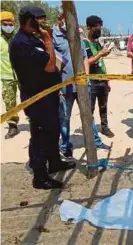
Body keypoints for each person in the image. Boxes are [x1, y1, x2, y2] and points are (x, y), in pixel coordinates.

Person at [10, 6, 75, 189]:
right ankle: (40, 176)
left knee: (52, 130)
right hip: (37, 98)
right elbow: (49, 67)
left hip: (48, 96)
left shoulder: (32, 39)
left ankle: (54, 161)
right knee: (40, 135)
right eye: (40, 19)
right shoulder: (22, 43)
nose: (43, 23)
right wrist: (48, 41)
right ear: (29, 20)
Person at [53, 12, 110, 158]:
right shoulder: (53, 37)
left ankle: (96, 141)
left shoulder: (77, 36)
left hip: (82, 85)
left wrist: (85, 79)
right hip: (64, 86)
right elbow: (53, 63)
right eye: (64, 19)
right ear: (59, 20)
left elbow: (85, 58)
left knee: (88, 116)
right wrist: (57, 86)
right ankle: (65, 146)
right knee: (64, 118)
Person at [84, 15, 114, 138]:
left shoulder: (97, 43)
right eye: (96, 26)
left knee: (103, 106)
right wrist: (100, 54)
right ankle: (90, 131)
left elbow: (101, 62)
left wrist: (107, 80)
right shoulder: (84, 43)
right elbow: (87, 61)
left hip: (102, 80)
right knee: (90, 108)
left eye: (100, 26)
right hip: (92, 81)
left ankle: (104, 127)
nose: (99, 29)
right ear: (89, 27)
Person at [1, 11, 20, 139]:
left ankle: (35, 123)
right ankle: (13, 126)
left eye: (10, 23)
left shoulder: (18, 38)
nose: (8, 26)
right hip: (7, 76)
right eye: (5, 24)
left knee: (30, 99)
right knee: (9, 101)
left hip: (22, 75)